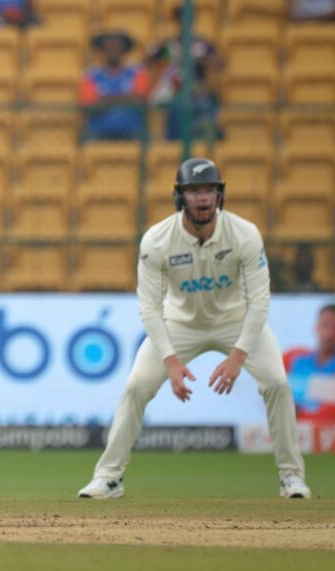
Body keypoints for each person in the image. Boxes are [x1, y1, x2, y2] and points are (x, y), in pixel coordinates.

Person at [78, 158, 311, 500]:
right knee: (137, 386)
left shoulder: (244, 234)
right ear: (180, 198)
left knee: (276, 382)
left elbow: (259, 301)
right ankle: (109, 478)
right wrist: (171, 361)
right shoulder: (157, 240)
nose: (203, 199)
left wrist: (237, 357)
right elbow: (149, 308)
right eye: (194, 192)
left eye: (209, 191)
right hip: (178, 322)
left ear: (219, 196)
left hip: (236, 320)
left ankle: (291, 477)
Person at [146, 8, 222, 141]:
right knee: (176, 107)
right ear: (177, 22)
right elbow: (147, 60)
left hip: (198, 91)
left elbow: (220, 63)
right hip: (172, 91)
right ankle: (174, 145)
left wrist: (199, 60)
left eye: (189, 19)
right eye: (182, 20)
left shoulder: (200, 44)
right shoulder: (169, 45)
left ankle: (209, 137)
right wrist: (168, 57)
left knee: (207, 104)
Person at [284, 304, 335, 424]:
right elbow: (266, 386)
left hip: (319, 438)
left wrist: (287, 409)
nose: (330, 333)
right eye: (325, 325)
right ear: (316, 327)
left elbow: (325, 418)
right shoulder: (292, 357)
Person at [79, 31, 150, 141]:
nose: (113, 49)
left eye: (117, 46)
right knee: (87, 138)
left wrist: (105, 99)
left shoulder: (137, 72)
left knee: (145, 140)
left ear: (124, 49)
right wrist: (126, 97)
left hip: (132, 130)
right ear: (102, 50)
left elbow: (140, 100)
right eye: (108, 46)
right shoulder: (91, 75)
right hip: (99, 131)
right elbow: (90, 107)